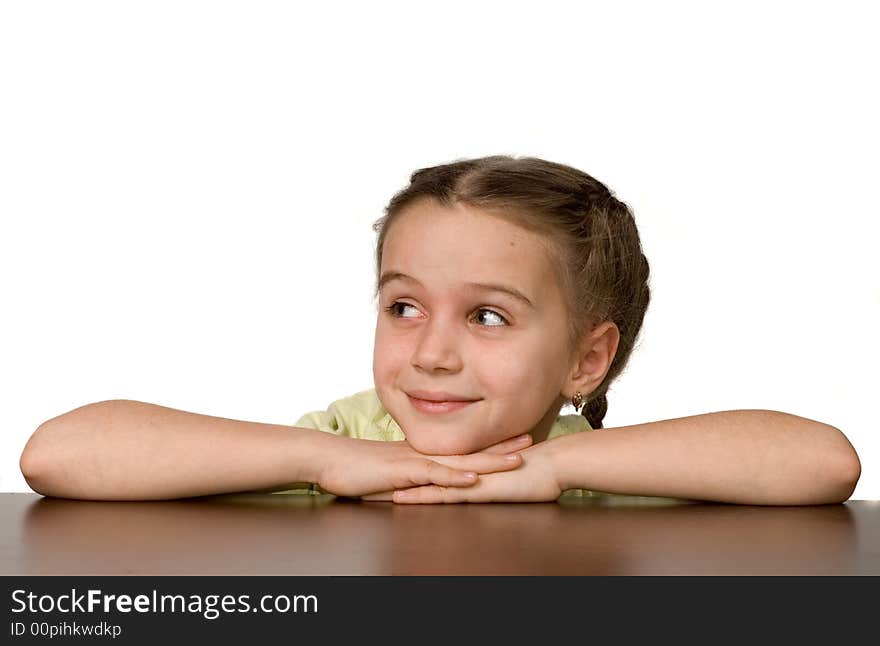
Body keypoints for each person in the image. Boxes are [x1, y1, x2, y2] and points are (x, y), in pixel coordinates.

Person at [19, 155, 861, 505]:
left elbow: (825, 462)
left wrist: (554, 466)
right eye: (404, 307)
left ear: (588, 358)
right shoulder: (346, 442)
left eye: (487, 315)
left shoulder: (587, 471)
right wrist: (320, 459)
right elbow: (56, 454)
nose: (430, 352)